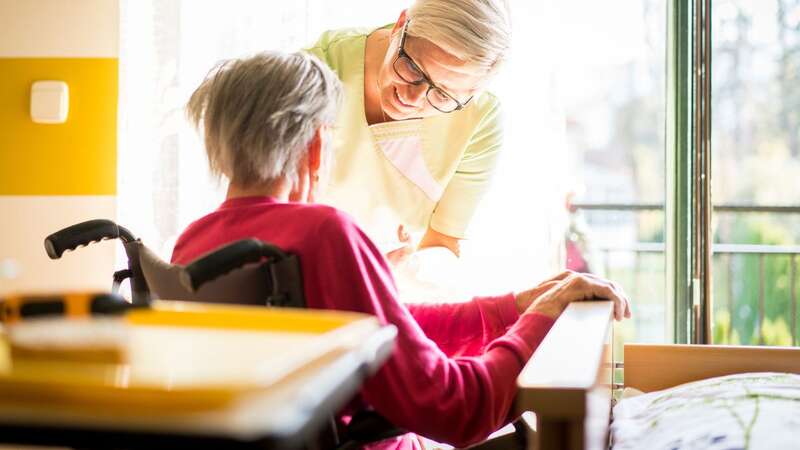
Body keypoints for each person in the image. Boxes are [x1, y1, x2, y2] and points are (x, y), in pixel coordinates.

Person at [173, 51, 632, 449]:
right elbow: (455, 408)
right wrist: (543, 320)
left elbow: (384, 327)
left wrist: (511, 308)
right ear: (316, 145)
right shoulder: (322, 231)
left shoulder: (194, 243)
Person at [305, 0, 512, 262]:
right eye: (413, 68)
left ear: (471, 94)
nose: (412, 98)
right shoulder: (319, 69)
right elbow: (264, 207)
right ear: (401, 25)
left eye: (442, 94)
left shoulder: (478, 120)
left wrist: (410, 268)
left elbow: (443, 241)